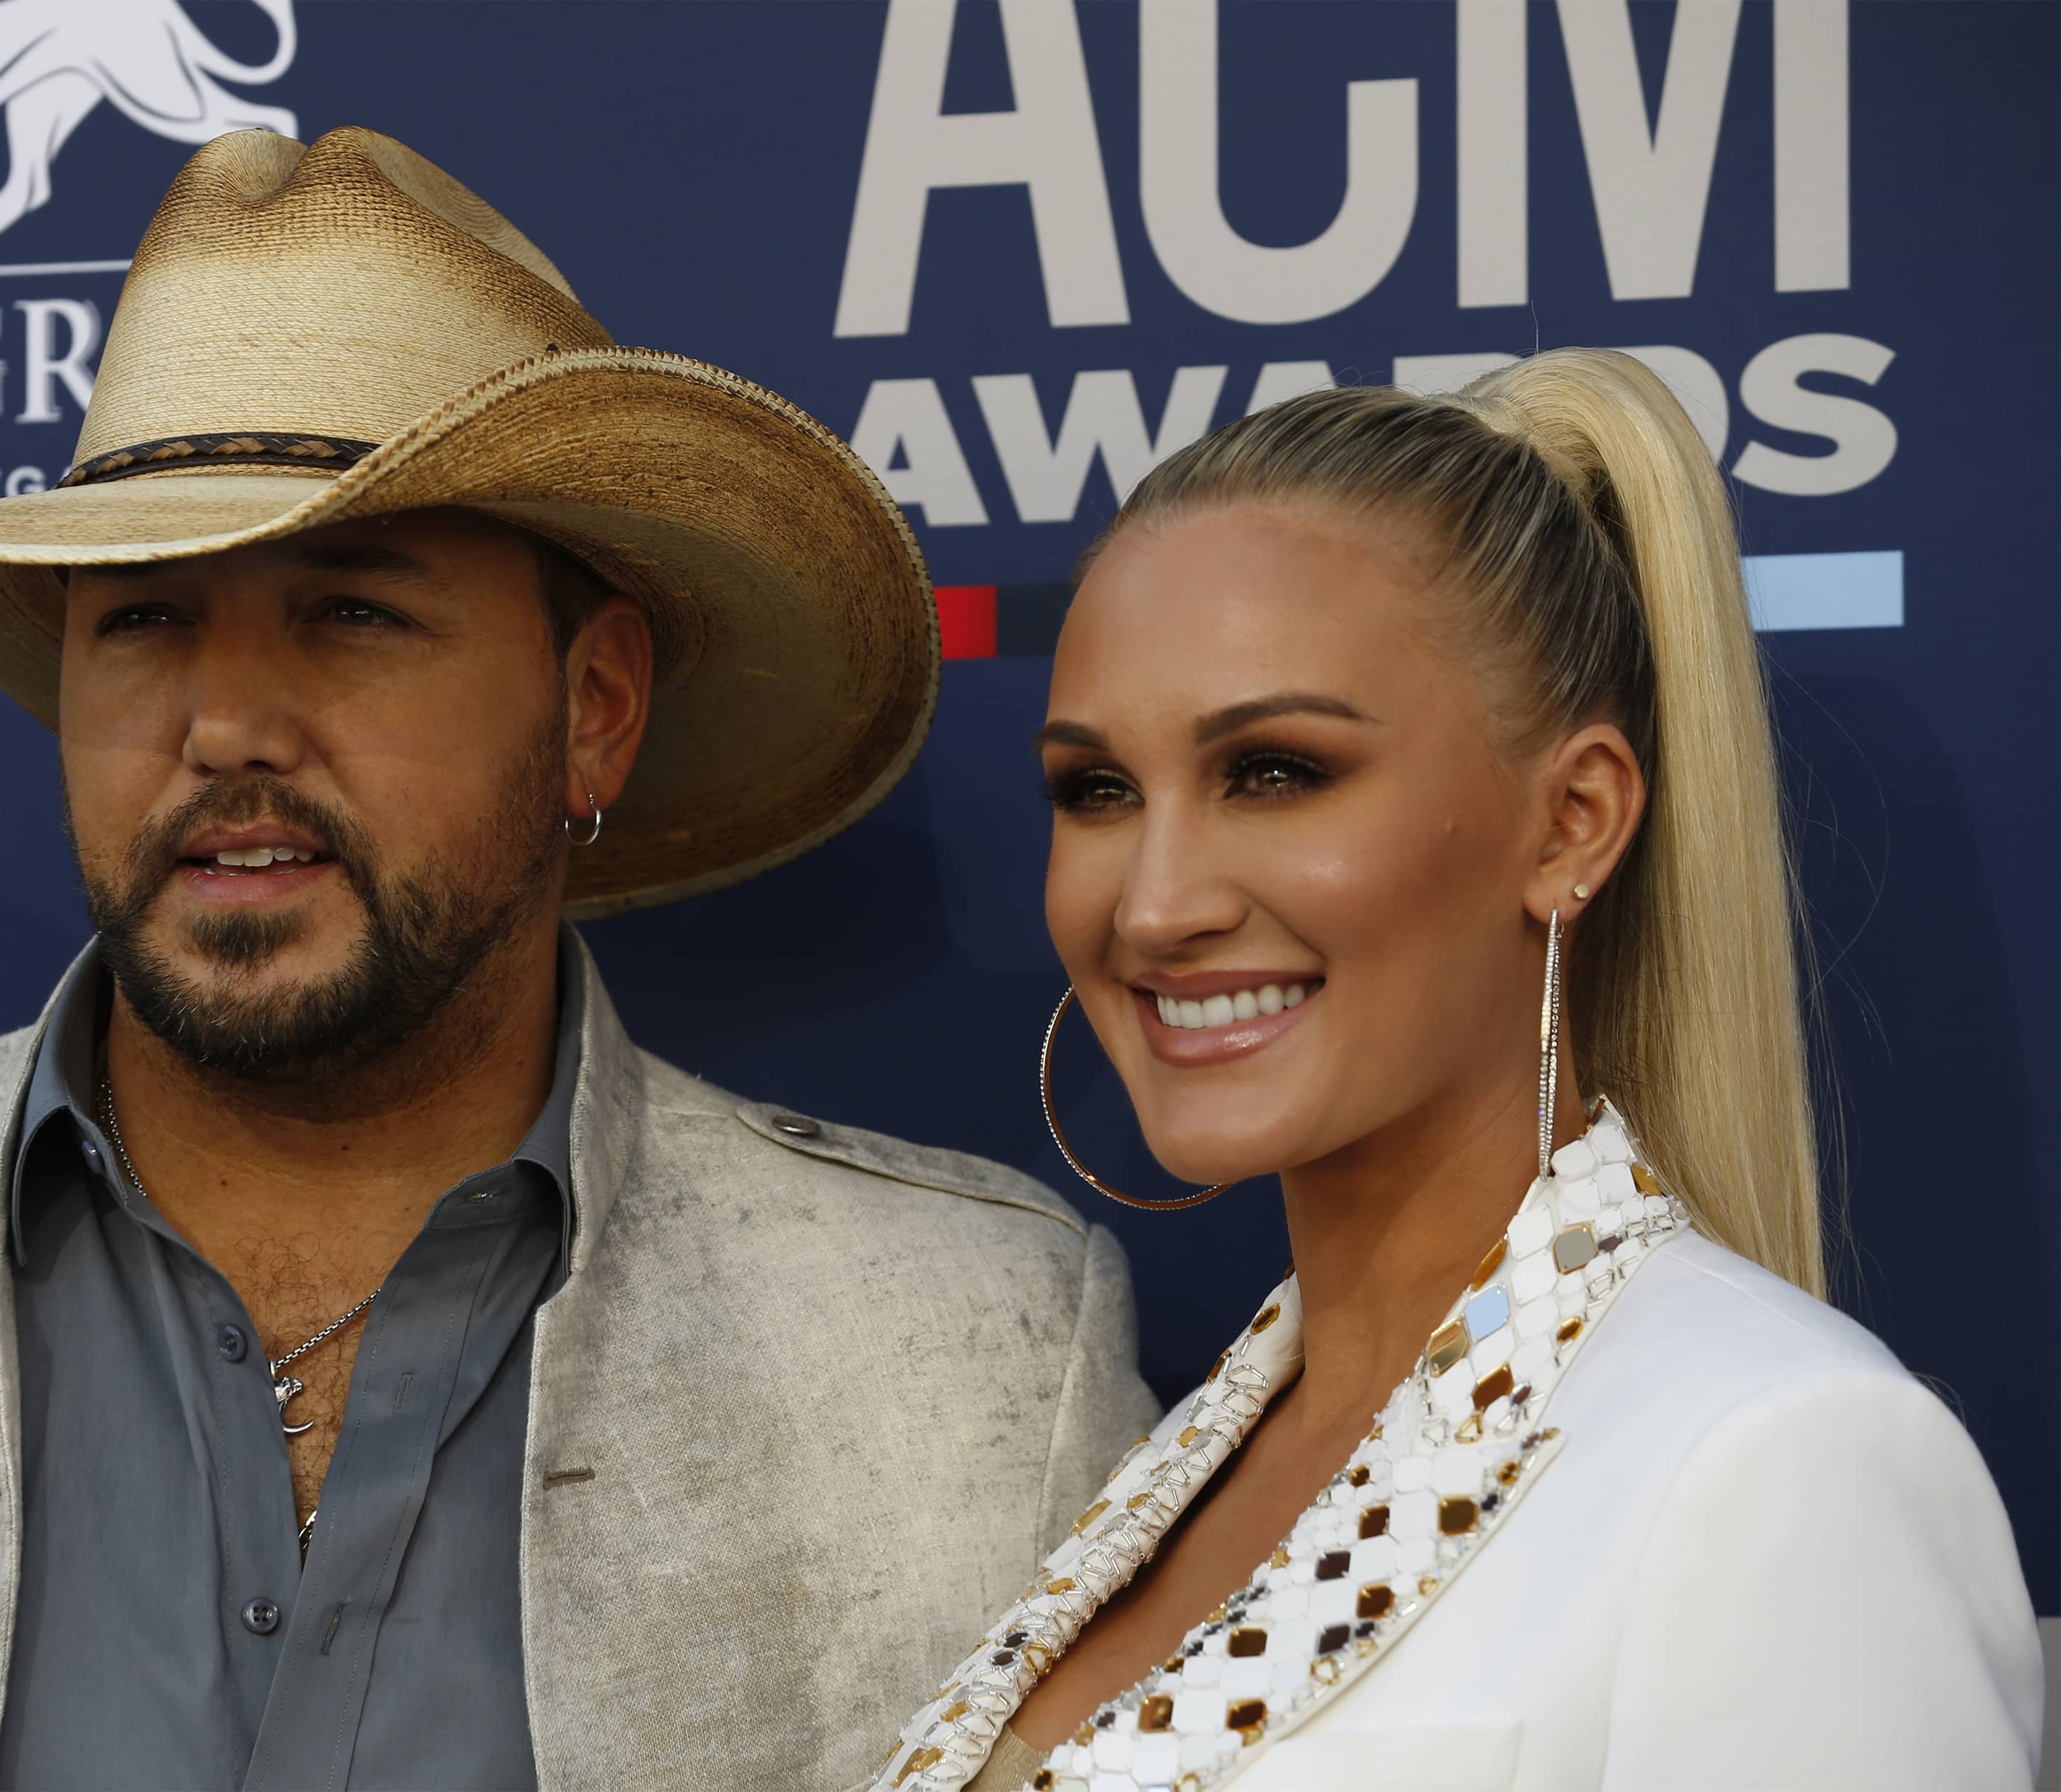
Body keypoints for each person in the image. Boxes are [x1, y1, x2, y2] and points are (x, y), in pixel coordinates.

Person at [0, 128, 1159, 1791]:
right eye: (144, 618)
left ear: (593, 708)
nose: (225, 724)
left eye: (353, 614)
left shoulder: (973, 1352)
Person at [871, 351, 2043, 1792]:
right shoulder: (1177, 1463)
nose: (1153, 904)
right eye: (1096, 791)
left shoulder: (1777, 1459)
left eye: (1275, 771)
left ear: (1571, 825)